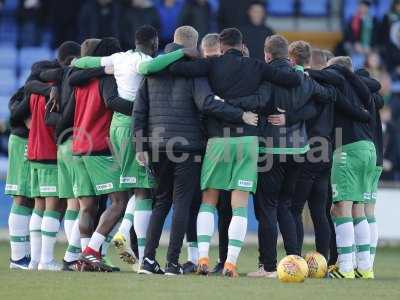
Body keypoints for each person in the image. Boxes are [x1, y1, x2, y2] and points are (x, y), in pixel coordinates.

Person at [134, 26, 258, 276]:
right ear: (194, 44)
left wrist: (139, 146)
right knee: (181, 203)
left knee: (160, 202)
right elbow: (206, 103)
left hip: (157, 145)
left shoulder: (153, 69)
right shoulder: (195, 70)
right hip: (188, 146)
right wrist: (240, 114)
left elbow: (140, 111)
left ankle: (147, 260)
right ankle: (171, 263)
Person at [73, 26, 197, 267]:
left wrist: (99, 67)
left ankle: (105, 246)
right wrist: (182, 53)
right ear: (152, 44)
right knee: (143, 191)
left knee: (132, 189)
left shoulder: (118, 58)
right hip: (135, 126)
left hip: (117, 128)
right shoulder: (145, 60)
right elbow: (148, 69)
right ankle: (141, 258)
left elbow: (81, 62)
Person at [247, 36, 333, 278]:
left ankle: (269, 266)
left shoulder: (265, 75)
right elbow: (326, 97)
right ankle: (295, 260)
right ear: (288, 55)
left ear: (267, 54)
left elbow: (260, 101)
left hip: (271, 149)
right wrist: (295, 115)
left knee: (267, 209)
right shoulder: (304, 78)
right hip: (298, 151)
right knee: (285, 206)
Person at [66, 37, 129, 272]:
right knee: (119, 202)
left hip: (78, 147)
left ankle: (87, 259)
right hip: (98, 147)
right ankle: (91, 252)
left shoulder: (80, 82)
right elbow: (113, 103)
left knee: (88, 207)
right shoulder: (108, 80)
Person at [321, 56, 376, 279]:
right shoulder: (361, 91)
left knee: (340, 207)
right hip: (368, 150)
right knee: (359, 208)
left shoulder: (340, 89)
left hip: (349, 150)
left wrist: (304, 71)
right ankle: (364, 267)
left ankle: (345, 268)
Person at [287, 44, 334, 260]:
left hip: (309, 149)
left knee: (295, 208)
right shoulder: (333, 87)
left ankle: (295, 258)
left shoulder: (307, 84)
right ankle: (323, 260)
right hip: (326, 149)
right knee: (320, 212)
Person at [355, 69, 384, 273]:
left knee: (357, 210)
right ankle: (368, 263)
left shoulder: (358, 99)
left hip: (362, 155)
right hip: (377, 160)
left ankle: (361, 263)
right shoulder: (376, 101)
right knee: (369, 212)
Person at [6, 87, 33, 270]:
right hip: (23, 141)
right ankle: (17, 258)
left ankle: (24, 255)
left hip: (30, 141)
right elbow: (14, 113)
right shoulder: (32, 88)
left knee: (31, 199)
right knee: (21, 196)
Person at [343, 0, 379, 69]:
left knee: (374, 58)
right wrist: (355, 43)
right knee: (356, 59)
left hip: (370, 48)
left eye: (365, 6)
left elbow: (376, 36)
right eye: (361, 6)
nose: (363, 8)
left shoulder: (374, 21)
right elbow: (348, 35)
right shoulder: (352, 19)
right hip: (355, 47)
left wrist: (369, 46)